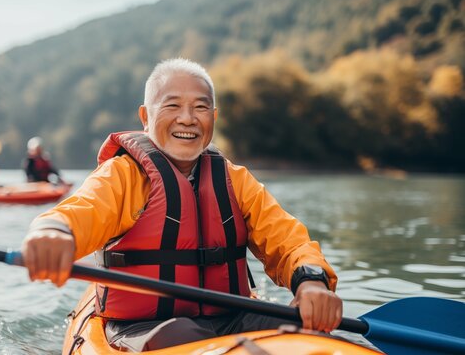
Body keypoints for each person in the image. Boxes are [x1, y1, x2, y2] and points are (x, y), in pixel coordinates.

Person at [21, 58, 342, 352]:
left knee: (306, 332)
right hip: (142, 328)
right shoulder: (123, 176)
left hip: (232, 318)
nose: (187, 119)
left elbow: (287, 239)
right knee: (181, 337)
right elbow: (81, 210)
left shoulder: (235, 180)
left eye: (200, 108)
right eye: (172, 105)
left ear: (213, 118)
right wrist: (53, 230)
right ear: (145, 117)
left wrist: (311, 280)